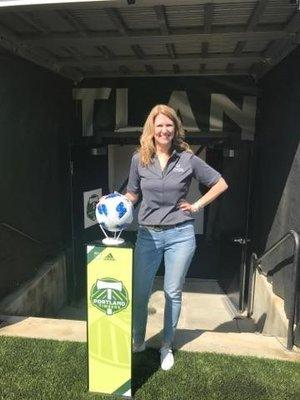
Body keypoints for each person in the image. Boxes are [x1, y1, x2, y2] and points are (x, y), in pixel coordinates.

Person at [125, 104, 228, 370]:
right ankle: (137, 341)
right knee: (140, 292)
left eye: (169, 125)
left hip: (180, 235)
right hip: (147, 235)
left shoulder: (187, 159)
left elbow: (220, 183)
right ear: (152, 128)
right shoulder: (140, 159)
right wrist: (113, 203)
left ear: (175, 129)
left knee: (172, 292)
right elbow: (132, 194)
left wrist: (197, 205)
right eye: (159, 125)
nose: (164, 130)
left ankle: (166, 347)